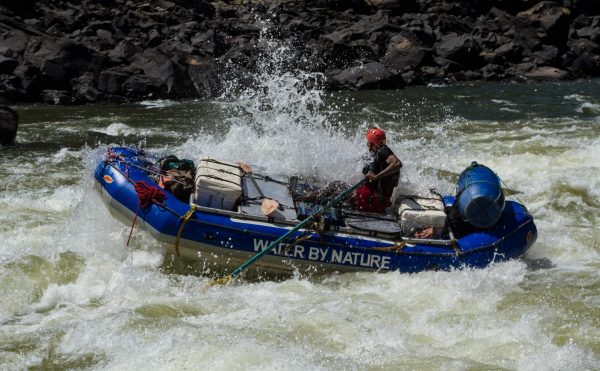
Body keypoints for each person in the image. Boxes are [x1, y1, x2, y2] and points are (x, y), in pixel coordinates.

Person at [298, 127, 402, 213]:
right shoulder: (379, 152)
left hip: (373, 202)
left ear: (371, 143)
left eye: (368, 143)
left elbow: (397, 163)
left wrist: (376, 176)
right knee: (342, 190)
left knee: (336, 185)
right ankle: (314, 199)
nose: (367, 145)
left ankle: (303, 199)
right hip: (378, 202)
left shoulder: (383, 151)